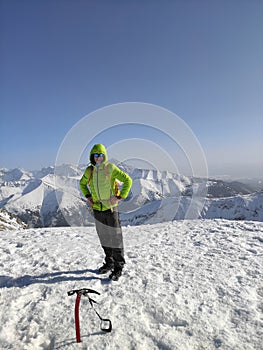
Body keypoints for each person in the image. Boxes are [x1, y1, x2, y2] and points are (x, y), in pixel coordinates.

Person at [80, 144, 132, 281]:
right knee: (104, 237)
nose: (98, 158)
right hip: (97, 209)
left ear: (104, 156)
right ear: (92, 156)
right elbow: (82, 184)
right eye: (96, 155)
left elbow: (128, 180)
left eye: (101, 155)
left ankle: (118, 267)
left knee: (115, 238)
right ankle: (109, 262)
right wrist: (88, 196)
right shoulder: (89, 171)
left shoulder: (110, 168)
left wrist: (120, 196)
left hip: (111, 209)